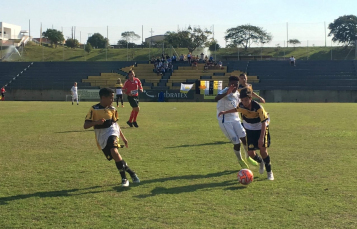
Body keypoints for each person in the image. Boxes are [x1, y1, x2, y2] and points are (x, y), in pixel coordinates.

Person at [83, 87, 140, 187]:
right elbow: (85, 125)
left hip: (112, 131)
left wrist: (123, 137)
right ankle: (132, 173)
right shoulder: (94, 109)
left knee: (114, 151)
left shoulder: (113, 109)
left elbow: (116, 125)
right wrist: (97, 122)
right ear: (103, 97)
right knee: (116, 157)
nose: (113, 100)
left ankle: (124, 178)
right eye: (111, 98)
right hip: (101, 135)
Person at [218, 87, 274, 180]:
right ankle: (261, 162)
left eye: (246, 100)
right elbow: (237, 109)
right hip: (250, 129)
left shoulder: (258, 107)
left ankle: (269, 172)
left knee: (263, 150)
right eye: (242, 100)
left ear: (250, 98)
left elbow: (264, 123)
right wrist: (225, 112)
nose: (244, 102)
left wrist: (261, 138)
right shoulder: (241, 105)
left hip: (261, 128)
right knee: (251, 153)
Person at [215, 76, 258, 170]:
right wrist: (227, 92)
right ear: (228, 84)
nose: (234, 86)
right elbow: (216, 98)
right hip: (224, 120)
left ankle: (248, 157)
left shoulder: (238, 94)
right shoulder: (224, 91)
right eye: (232, 84)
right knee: (236, 143)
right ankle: (240, 160)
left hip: (235, 118)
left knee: (244, 138)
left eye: (236, 85)